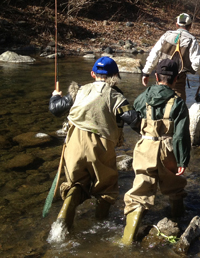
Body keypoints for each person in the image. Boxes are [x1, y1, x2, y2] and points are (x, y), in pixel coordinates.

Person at [49, 57, 138, 231]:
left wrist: (54, 97)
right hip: (101, 146)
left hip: (74, 142)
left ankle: (62, 226)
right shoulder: (117, 96)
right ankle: (99, 227)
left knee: (75, 184)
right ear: (116, 76)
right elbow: (134, 121)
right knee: (106, 188)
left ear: (92, 74)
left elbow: (55, 109)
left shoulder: (78, 91)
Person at [121, 58, 191, 245]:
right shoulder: (178, 103)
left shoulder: (142, 98)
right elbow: (181, 135)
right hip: (168, 150)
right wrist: (183, 160)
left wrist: (145, 134)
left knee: (139, 193)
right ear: (175, 79)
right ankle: (178, 223)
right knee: (175, 187)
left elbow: (134, 121)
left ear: (156, 76)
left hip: (145, 146)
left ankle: (126, 241)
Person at [142, 12, 200, 101]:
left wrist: (146, 73)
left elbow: (154, 54)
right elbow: (197, 63)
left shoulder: (166, 35)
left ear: (176, 24)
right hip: (179, 78)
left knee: (159, 101)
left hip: (161, 76)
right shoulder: (192, 40)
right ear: (190, 26)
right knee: (178, 105)